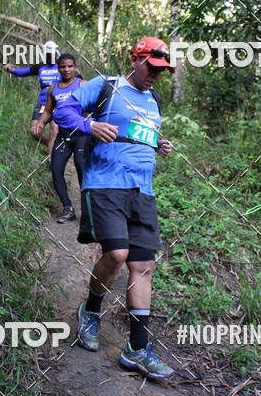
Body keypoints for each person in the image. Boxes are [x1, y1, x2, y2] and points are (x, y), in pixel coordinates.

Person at [53, 37, 175, 379]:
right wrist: (90, 125)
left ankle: (137, 348)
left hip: (142, 191)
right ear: (135, 60)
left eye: (161, 70)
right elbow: (63, 110)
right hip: (105, 183)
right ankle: (91, 310)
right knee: (118, 254)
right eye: (151, 67)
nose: (156, 75)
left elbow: (137, 133)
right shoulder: (107, 85)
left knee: (144, 264)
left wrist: (158, 143)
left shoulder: (154, 100)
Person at [36, 53, 89, 223]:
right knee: (56, 168)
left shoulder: (83, 84)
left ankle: (88, 210)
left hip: (81, 134)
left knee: (81, 167)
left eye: (70, 66)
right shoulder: (53, 89)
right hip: (63, 135)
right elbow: (48, 110)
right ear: (58, 68)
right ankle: (68, 208)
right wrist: (41, 122)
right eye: (63, 66)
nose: (66, 69)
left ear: (75, 67)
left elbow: (95, 105)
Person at [3, 40, 61, 158]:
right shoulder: (40, 66)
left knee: (54, 131)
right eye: (48, 54)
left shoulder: (62, 66)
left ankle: (50, 160)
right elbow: (24, 72)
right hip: (43, 103)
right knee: (35, 131)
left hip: (57, 103)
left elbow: (75, 80)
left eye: (52, 54)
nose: (50, 56)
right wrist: (11, 70)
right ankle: (53, 145)